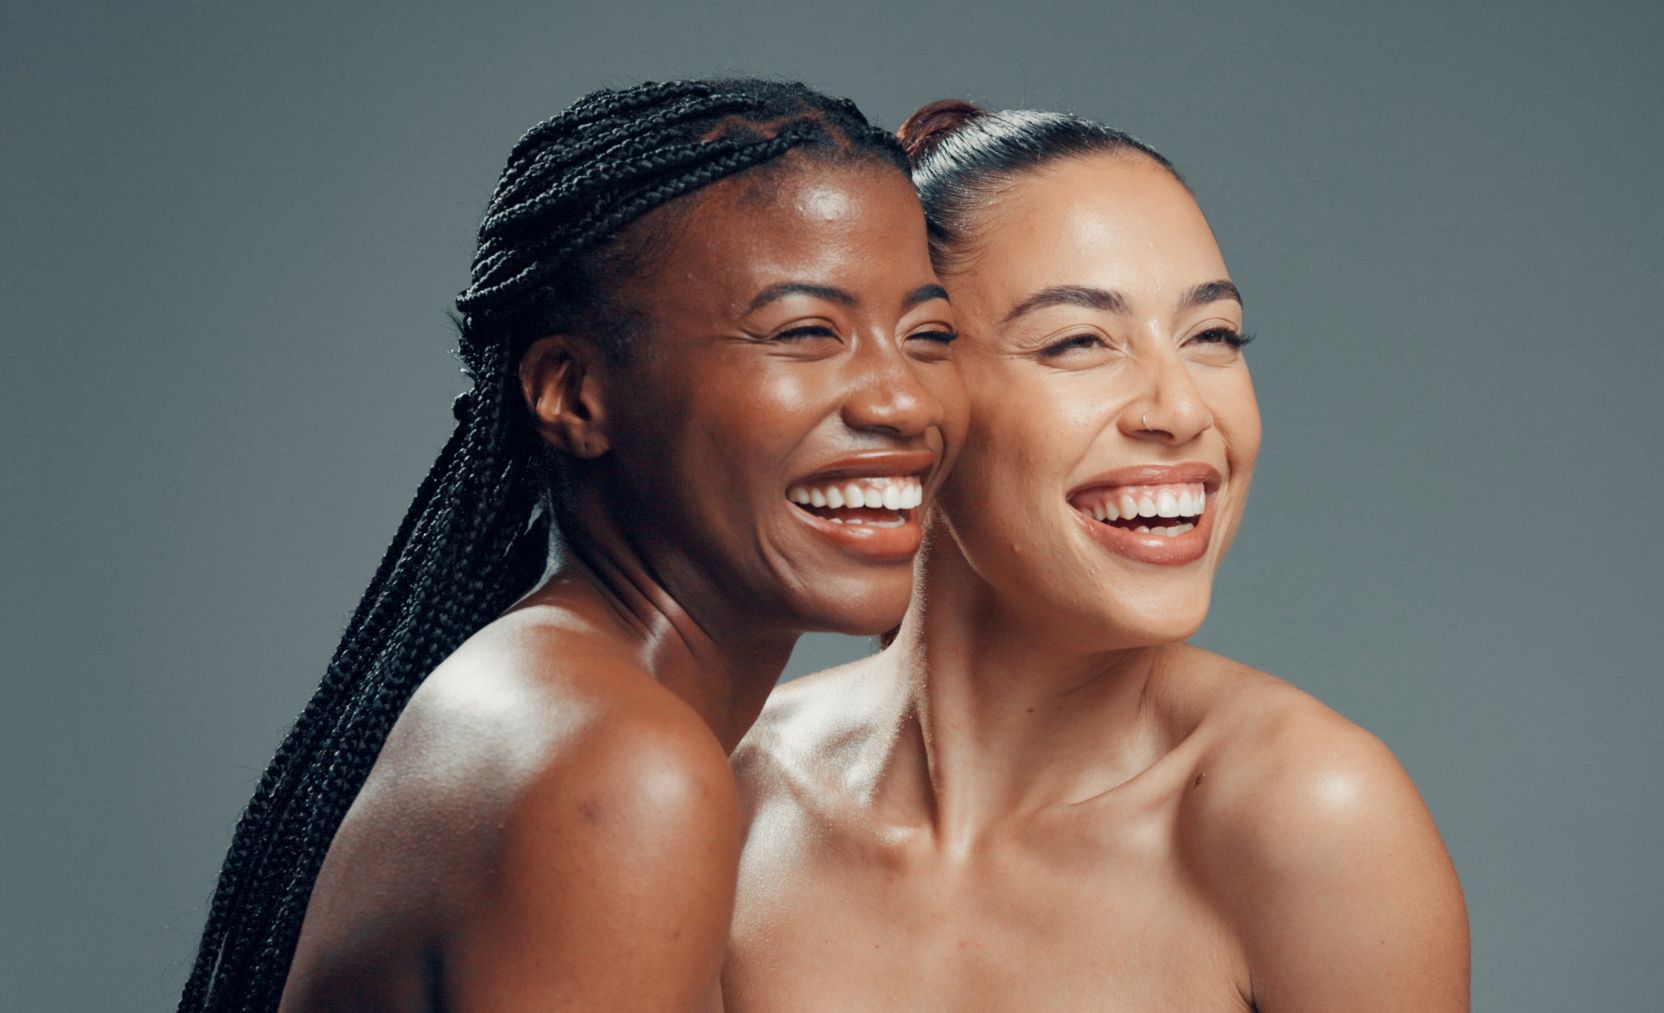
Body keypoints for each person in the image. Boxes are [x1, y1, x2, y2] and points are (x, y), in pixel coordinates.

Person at [180, 79, 966, 1011]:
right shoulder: (623, 771)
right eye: (804, 331)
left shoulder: (546, 701)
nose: (904, 399)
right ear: (571, 392)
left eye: (929, 334)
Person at [725, 101, 1470, 1011]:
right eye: (1081, 341)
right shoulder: (732, 794)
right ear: (912, 391)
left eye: (1213, 337)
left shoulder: (1310, 816)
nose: (1182, 408)